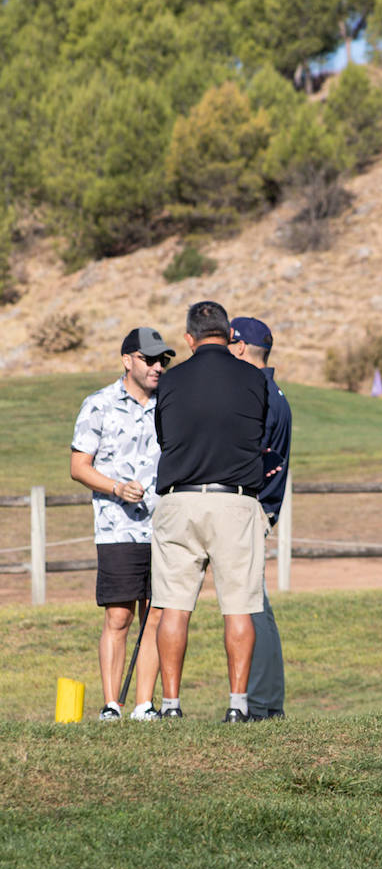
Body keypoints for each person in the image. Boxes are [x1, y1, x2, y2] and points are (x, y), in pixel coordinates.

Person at [151, 301, 269, 723]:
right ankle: (237, 705)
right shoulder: (254, 379)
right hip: (235, 501)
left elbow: (164, 436)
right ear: (229, 335)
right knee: (238, 607)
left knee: (174, 606)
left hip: (180, 499)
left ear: (189, 339)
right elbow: (258, 429)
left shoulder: (170, 380)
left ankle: (171, 705)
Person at [70, 328, 175, 722]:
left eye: (162, 360)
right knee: (119, 616)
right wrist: (115, 487)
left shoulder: (170, 404)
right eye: (149, 359)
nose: (157, 367)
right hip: (117, 528)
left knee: (156, 614)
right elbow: (78, 467)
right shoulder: (98, 405)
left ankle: (144, 705)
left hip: (164, 528)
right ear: (127, 360)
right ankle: (111, 704)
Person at [229, 316, 292, 721]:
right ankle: (264, 701)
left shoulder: (259, 394)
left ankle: (263, 703)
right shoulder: (273, 391)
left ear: (237, 348)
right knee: (254, 603)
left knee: (251, 604)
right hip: (261, 506)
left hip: (249, 506)